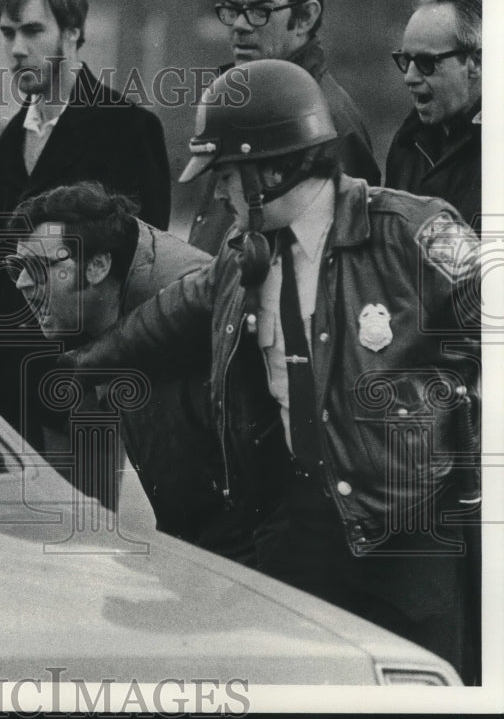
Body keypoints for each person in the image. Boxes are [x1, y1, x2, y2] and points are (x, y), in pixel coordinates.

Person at [61, 59, 481, 684]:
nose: (219, 195)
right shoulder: (243, 257)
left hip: (412, 538)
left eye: (226, 178)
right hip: (299, 526)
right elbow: (176, 313)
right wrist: (86, 367)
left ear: (272, 168)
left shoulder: (416, 234)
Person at [6, 182, 254, 560]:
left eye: (38, 268)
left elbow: (215, 504)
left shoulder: (177, 328)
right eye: (16, 267)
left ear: (98, 265)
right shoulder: (114, 310)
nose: (21, 282)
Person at [188, 0, 381, 255]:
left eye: (259, 11)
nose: (239, 25)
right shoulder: (247, 99)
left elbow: (340, 263)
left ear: (305, 17)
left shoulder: (327, 120)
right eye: (232, 9)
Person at [0, 0, 172, 228]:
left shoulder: (130, 129)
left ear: (71, 33)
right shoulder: (10, 141)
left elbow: (146, 258)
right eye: (8, 33)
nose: (17, 48)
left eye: (32, 31)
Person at [387, 0, 481, 232]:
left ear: (476, 63)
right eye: (405, 60)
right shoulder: (407, 143)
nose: (409, 77)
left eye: (427, 62)